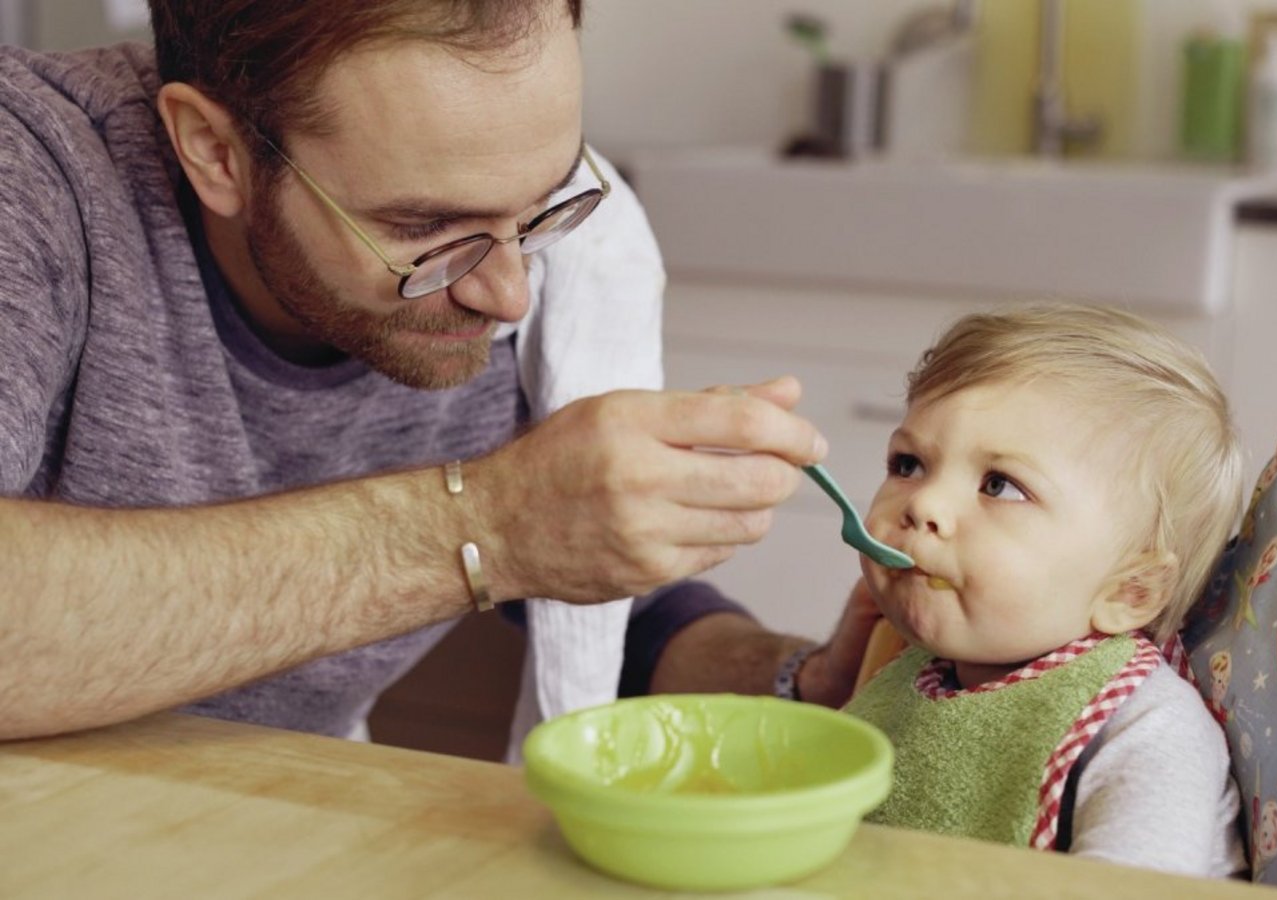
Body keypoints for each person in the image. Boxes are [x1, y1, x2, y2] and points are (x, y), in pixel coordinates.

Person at [0, 0, 830, 744]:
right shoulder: (32, 173)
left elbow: (596, 600)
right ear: (215, 152)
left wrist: (814, 687)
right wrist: (486, 527)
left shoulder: (556, 236)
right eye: (426, 228)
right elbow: (520, 526)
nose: (508, 295)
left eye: (545, 203)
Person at [840, 305, 1248, 876]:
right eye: (909, 464)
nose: (923, 504)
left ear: (1130, 591)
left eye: (999, 485)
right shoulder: (903, 673)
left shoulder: (1145, 729)